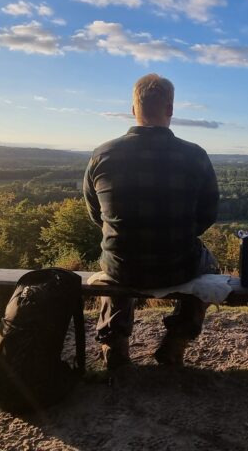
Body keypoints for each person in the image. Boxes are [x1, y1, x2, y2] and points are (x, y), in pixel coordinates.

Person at [83, 73, 220, 370]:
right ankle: (176, 342)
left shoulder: (102, 155)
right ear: (170, 109)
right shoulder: (195, 156)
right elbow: (208, 214)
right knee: (210, 265)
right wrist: (178, 235)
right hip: (178, 265)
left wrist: (126, 232)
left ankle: (114, 343)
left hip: (122, 266)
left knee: (113, 261)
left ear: (133, 109)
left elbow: (97, 215)